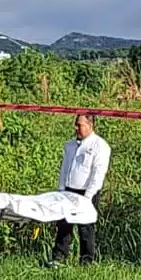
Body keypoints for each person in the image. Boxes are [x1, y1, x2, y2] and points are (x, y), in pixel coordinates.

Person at [49, 113, 111, 267]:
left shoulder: (100, 146)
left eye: (80, 125)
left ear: (90, 125)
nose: (76, 128)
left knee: (86, 228)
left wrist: (88, 196)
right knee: (63, 226)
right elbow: (65, 168)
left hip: (87, 193)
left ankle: (86, 262)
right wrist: (61, 189)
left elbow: (98, 173)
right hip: (68, 190)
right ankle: (58, 258)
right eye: (76, 124)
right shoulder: (70, 145)